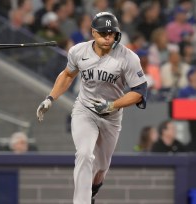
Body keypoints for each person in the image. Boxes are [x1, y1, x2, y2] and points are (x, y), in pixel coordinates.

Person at [36, 12, 147, 204]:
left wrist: (112, 105)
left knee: (102, 167)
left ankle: (92, 193)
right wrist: (50, 98)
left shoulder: (128, 57)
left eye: (112, 34)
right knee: (85, 154)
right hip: (85, 110)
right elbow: (68, 75)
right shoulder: (78, 51)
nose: (108, 37)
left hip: (111, 116)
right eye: (104, 33)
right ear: (93, 33)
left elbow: (139, 91)